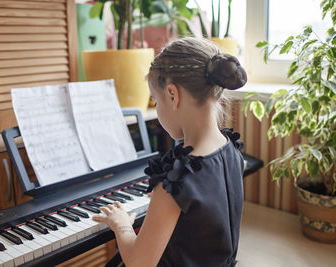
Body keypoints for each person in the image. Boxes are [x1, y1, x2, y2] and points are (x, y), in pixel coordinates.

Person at [93, 37, 247, 267]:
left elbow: (139, 263)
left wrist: (121, 224)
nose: (157, 106)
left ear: (173, 95)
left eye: (156, 100)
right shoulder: (231, 149)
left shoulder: (178, 178)